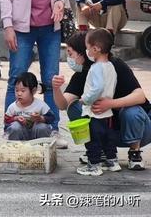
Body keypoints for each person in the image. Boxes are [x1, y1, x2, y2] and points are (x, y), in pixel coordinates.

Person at [0, 0, 68, 148]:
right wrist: (8, 26)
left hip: (50, 28)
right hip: (22, 29)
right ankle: (10, 128)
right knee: (15, 79)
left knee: (51, 80)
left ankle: (52, 129)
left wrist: (59, 2)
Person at [52, 31, 151, 170]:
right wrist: (56, 89)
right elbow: (63, 104)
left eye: (70, 53)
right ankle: (101, 150)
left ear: (87, 51)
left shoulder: (114, 65)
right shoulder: (82, 74)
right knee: (75, 107)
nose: (70, 58)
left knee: (131, 111)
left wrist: (110, 104)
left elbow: (140, 96)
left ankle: (135, 152)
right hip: (110, 131)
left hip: (140, 131)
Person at [75, 28, 119, 176]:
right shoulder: (111, 66)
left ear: (96, 49)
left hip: (94, 112)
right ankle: (112, 161)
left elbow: (98, 87)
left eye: (88, 48)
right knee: (108, 138)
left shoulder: (96, 68)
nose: (87, 51)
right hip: (107, 112)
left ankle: (93, 165)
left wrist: (85, 99)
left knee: (93, 140)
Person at [4, 72, 55, 140]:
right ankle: (14, 146)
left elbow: (51, 118)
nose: (19, 94)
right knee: (15, 127)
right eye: (17, 90)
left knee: (42, 127)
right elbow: (6, 121)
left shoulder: (40, 105)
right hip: (20, 136)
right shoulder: (13, 107)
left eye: (23, 91)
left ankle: (43, 145)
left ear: (33, 90)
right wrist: (15, 118)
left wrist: (40, 118)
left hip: (37, 135)